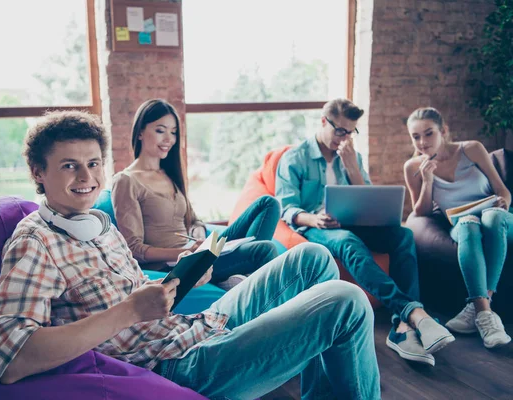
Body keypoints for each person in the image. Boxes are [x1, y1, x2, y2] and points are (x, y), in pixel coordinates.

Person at [0, 110, 381, 399]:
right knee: (346, 300)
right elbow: (12, 358)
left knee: (310, 257)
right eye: (70, 166)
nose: (87, 178)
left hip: (188, 326)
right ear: (38, 172)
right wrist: (129, 311)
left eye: (92, 164)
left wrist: (184, 277)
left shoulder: (100, 226)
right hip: (174, 365)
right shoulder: (34, 241)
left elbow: (140, 287)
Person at [275, 98, 455, 366]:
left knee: (404, 235)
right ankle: (415, 314)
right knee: (348, 242)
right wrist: (314, 219)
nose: (345, 138)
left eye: (350, 132)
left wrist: (353, 168)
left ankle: (402, 327)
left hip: (355, 221)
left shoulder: (351, 156)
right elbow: (286, 208)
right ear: (324, 122)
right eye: (340, 131)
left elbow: (368, 197)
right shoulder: (295, 158)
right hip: (318, 227)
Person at [111, 99, 280, 287]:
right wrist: (187, 252)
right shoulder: (126, 180)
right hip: (176, 263)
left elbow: (192, 220)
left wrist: (196, 230)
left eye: (173, 132)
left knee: (267, 203)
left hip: (197, 252)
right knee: (264, 250)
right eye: (160, 130)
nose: (169, 139)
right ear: (140, 132)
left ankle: (238, 277)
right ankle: (241, 278)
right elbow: (134, 249)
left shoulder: (169, 173)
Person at [404, 107, 512, 349]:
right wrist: (427, 181)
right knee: (467, 225)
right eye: (416, 136)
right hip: (461, 221)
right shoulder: (413, 167)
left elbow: (502, 189)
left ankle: (477, 308)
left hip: (498, 217)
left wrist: (503, 203)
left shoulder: (472, 149)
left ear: (443, 131)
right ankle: (485, 315)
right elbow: (419, 213)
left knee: (492, 218)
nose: (422, 142)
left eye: (429, 133)